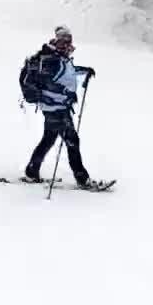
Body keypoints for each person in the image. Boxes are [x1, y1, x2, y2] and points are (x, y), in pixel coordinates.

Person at [20, 26, 105, 189]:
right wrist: (66, 92)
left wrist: (84, 71)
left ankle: (31, 171)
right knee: (72, 141)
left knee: (48, 139)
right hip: (55, 108)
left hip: (57, 107)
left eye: (69, 40)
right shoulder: (50, 60)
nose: (68, 43)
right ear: (58, 40)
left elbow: (67, 73)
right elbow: (48, 83)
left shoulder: (60, 57)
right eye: (64, 40)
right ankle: (82, 179)